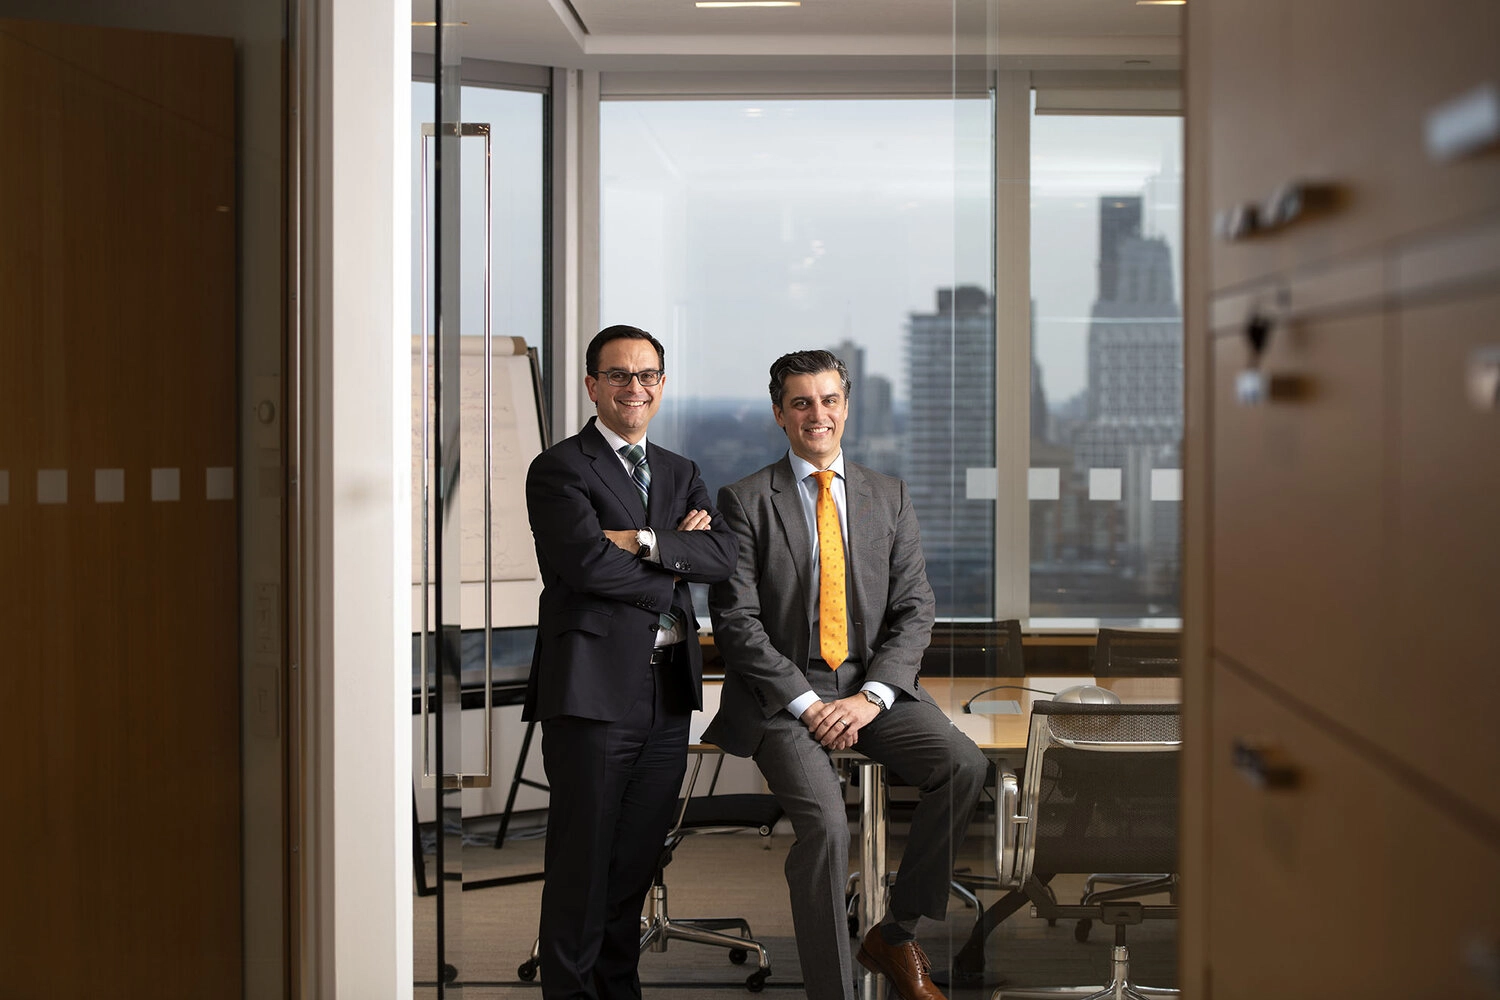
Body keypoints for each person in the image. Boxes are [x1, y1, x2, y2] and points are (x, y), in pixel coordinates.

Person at [704, 349, 989, 1000]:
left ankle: (895, 933)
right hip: (785, 700)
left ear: (847, 406)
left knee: (965, 765)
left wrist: (872, 696)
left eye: (829, 400)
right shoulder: (745, 501)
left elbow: (916, 608)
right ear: (780, 414)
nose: (818, 414)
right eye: (802, 402)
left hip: (871, 692)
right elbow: (737, 623)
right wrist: (808, 703)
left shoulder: (886, 495)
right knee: (828, 828)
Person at [523, 324, 737, 1000]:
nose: (634, 388)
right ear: (592, 386)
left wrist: (641, 540)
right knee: (582, 862)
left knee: (635, 859)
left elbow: (723, 559)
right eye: (618, 375)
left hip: (666, 695)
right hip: (591, 693)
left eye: (647, 375)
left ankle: (619, 989)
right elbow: (584, 567)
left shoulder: (680, 470)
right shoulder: (559, 469)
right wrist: (673, 560)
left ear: (662, 385)